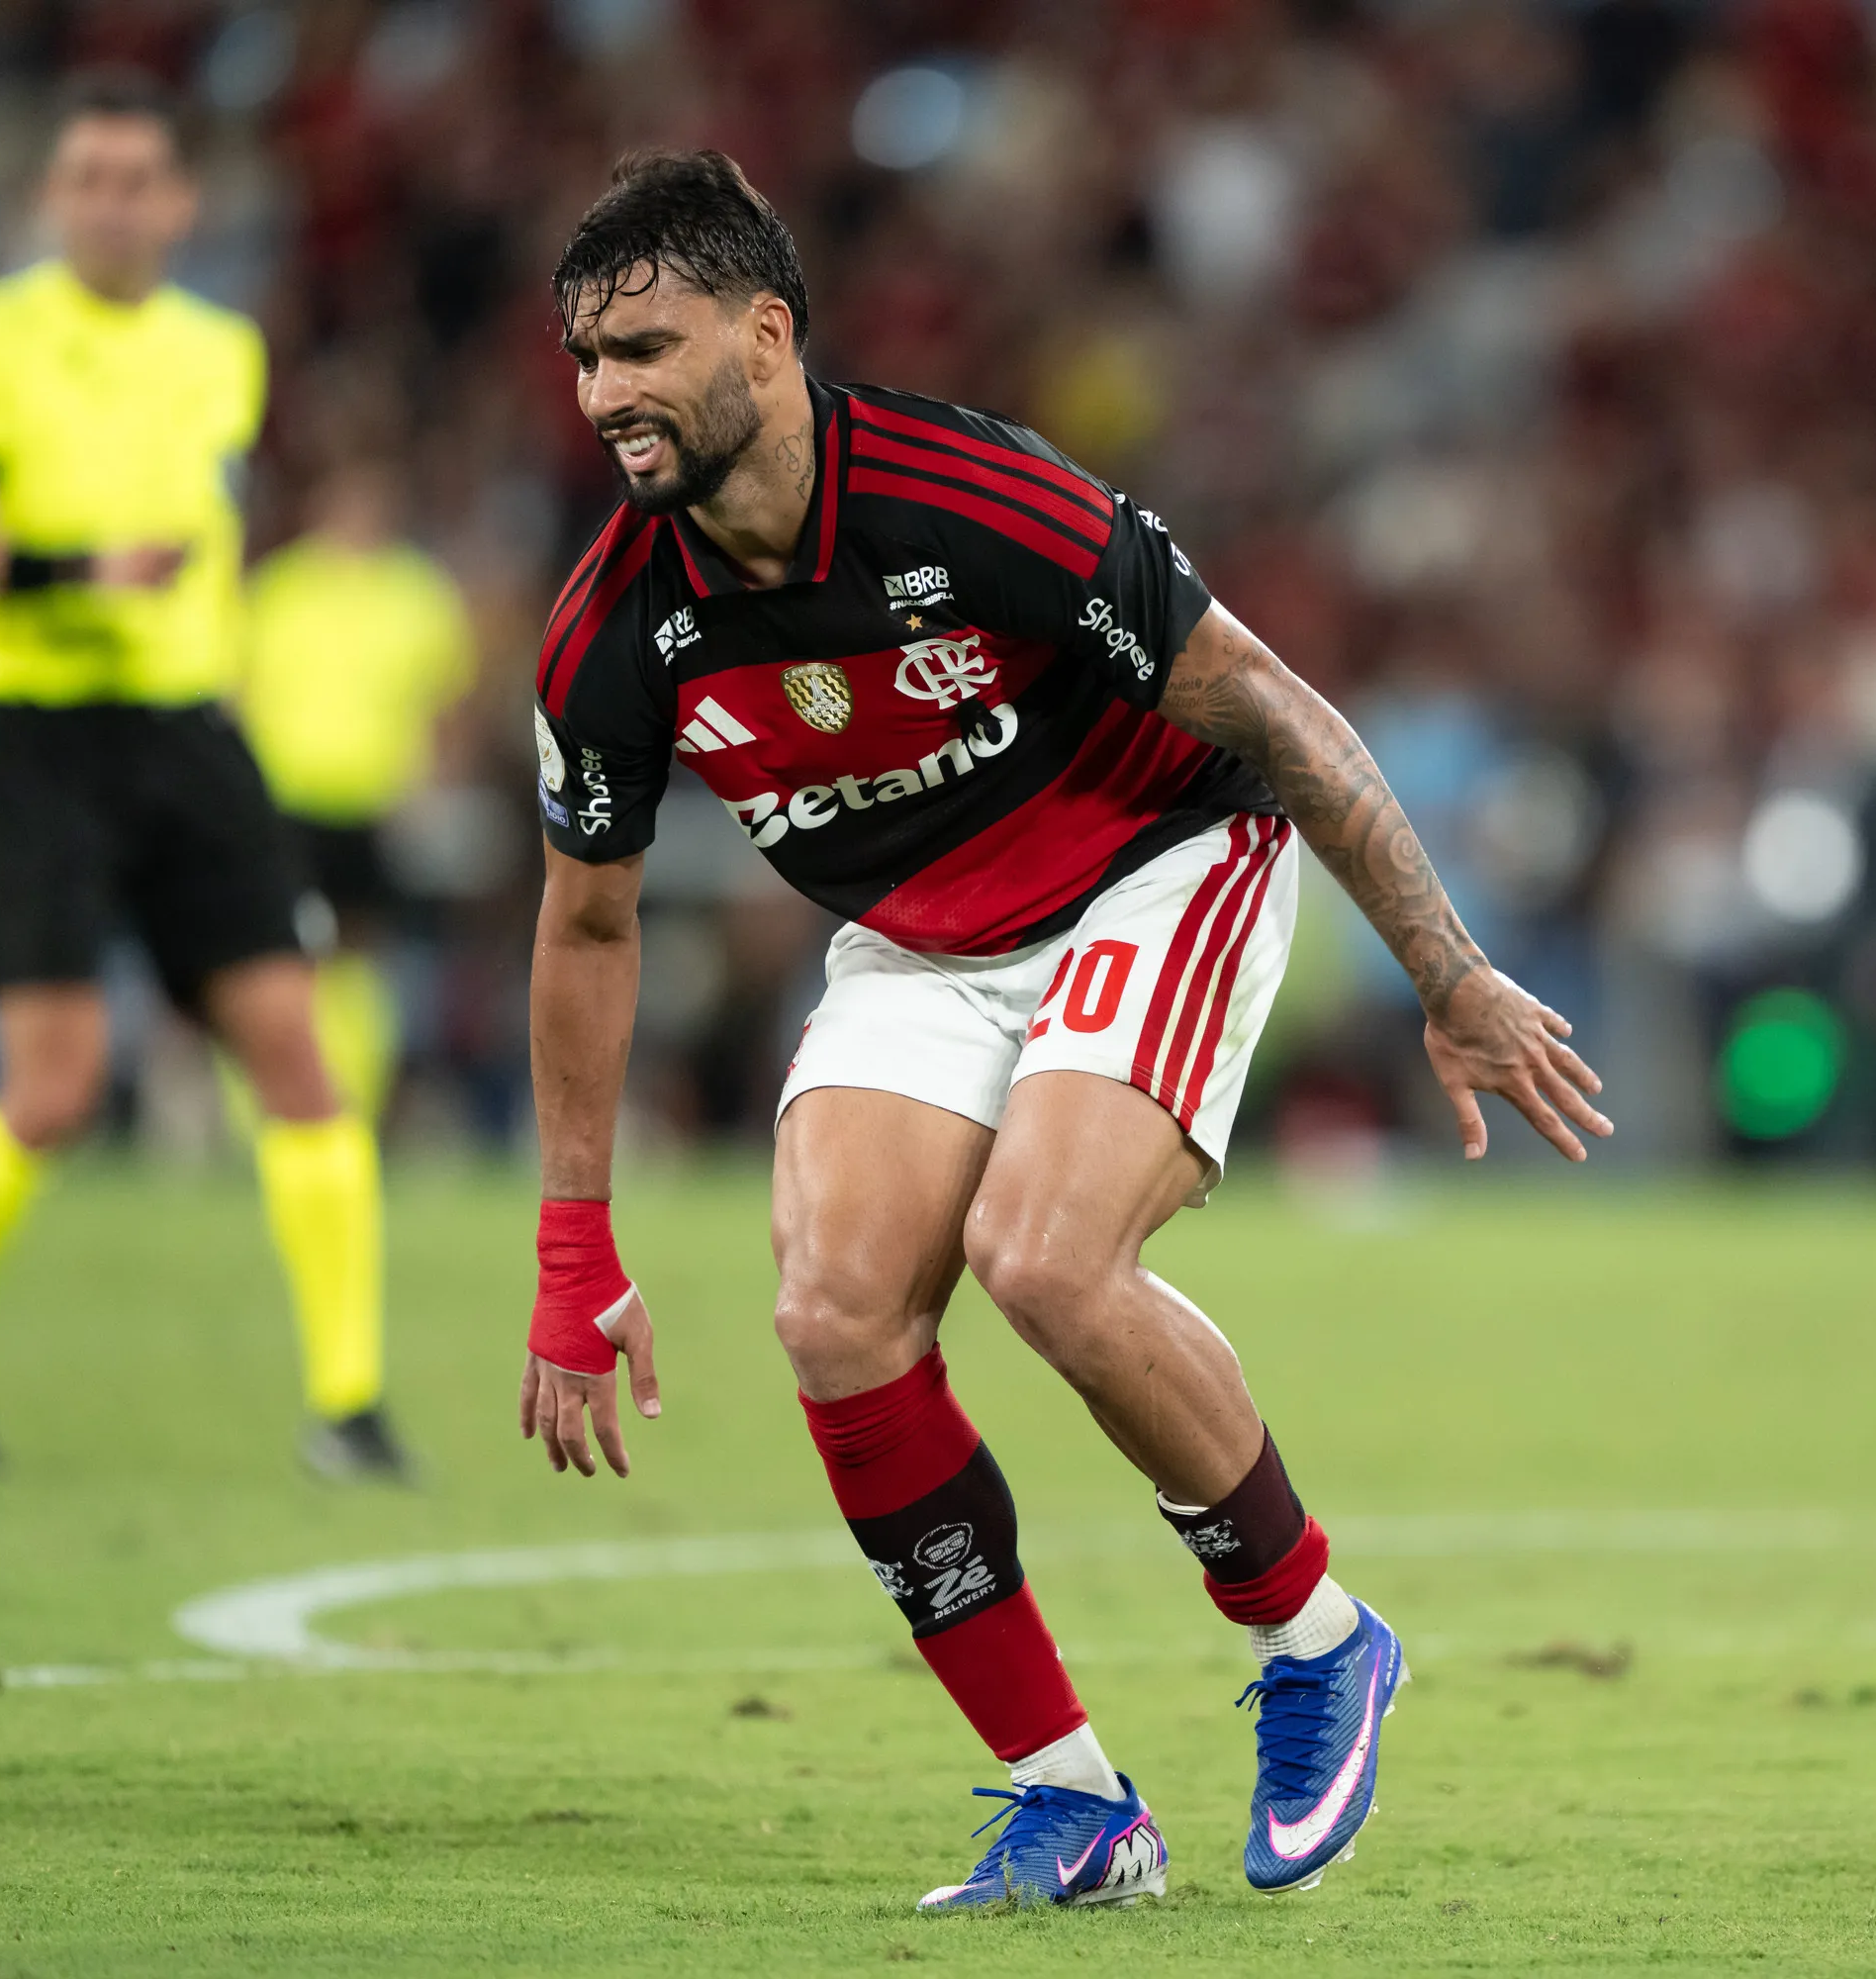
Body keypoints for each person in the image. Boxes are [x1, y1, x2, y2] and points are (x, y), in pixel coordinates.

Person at [521, 151, 1608, 1912]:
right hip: (922, 941)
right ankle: (1074, 1803)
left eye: (646, 347)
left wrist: (1449, 969)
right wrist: (577, 1244)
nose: (609, 396)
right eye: (587, 360)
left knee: (1043, 1257)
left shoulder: (973, 502)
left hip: (1157, 863)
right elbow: (586, 917)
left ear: (769, 332)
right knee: (834, 1312)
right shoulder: (613, 630)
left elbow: (1269, 702)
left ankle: (1318, 1635)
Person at [0, 73, 403, 1479]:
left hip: (191, 734)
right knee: (52, 1091)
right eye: (87, 178)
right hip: (48, 736)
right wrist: (78, 571)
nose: (111, 202)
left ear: (181, 204)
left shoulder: (220, 351)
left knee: (298, 1060)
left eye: (137, 179)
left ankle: (348, 1407)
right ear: (52, 198)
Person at [239, 460, 477, 1120]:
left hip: (375, 807)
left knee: (358, 955)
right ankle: (264, 1105)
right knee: (276, 958)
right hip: (287, 801)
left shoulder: (416, 593)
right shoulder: (280, 590)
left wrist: (434, 787)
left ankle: (350, 1099)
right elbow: (235, 698)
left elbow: (446, 707)